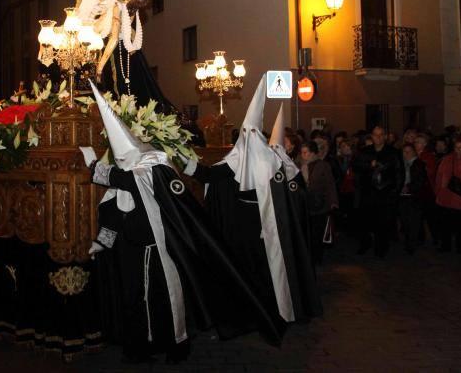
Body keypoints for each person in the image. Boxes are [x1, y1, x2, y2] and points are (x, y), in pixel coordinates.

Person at [85, 81, 282, 363]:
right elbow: (113, 213)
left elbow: (130, 179)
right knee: (136, 300)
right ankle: (141, 346)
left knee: (168, 298)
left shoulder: (152, 169)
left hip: (162, 249)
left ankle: (176, 344)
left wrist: (94, 166)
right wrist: (101, 243)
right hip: (133, 252)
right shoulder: (131, 173)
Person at [187, 93, 322, 328]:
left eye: (253, 134)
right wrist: (184, 160)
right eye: (245, 134)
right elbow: (210, 175)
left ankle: (273, 308)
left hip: (267, 224)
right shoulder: (236, 158)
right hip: (240, 224)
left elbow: (289, 192)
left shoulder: (272, 160)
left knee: (268, 268)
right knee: (245, 267)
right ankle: (251, 310)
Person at [353, 126, 403, 258]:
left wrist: (395, 192)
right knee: (365, 222)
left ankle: (381, 248)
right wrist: (370, 165)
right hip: (368, 193)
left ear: (385, 136)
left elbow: (399, 174)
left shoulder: (393, 152)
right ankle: (365, 244)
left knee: (383, 223)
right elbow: (356, 167)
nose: (378, 137)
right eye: (376, 135)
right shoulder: (364, 151)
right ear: (372, 136)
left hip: (385, 193)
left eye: (381, 135)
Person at [300, 141, 338, 265]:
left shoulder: (323, 165)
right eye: (302, 152)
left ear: (312, 153)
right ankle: (308, 255)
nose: (303, 155)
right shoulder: (300, 166)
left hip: (320, 204)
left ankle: (317, 257)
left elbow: (330, 184)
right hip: (305, 204)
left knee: (317, 232)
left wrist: (333, 201)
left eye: (305, 152)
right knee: (308, 232)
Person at [398, 144, 427, 254]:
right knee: (405, 222)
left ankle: (411, 245)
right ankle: (408, 242)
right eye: (404, 151)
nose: (406, 153)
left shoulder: (418, 164)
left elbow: (420, 181)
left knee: (413, 222)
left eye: (409, 151)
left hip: (414, 198)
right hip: (402, 197)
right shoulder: (401, 164)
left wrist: (409, 187)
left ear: (414, 152)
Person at [414, 134, 438, 244]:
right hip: (416, 189)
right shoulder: (413, 154)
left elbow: (431, 172)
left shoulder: (428, 156)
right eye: (416, 141)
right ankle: (420, 237)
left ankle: (436, 237)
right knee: (418, 216)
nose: (416, 143)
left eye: (419, 141)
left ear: (424, 144)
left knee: (430, 216)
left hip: (427, 189)